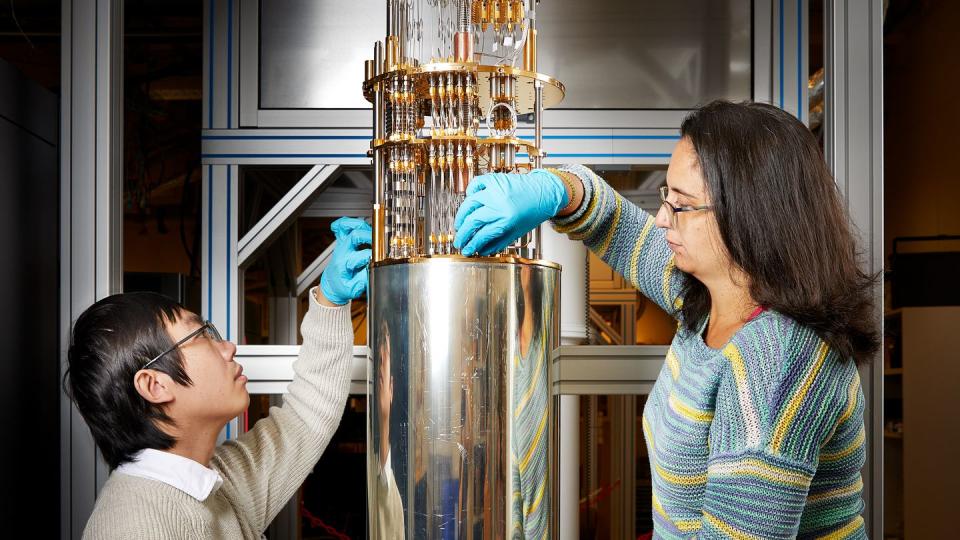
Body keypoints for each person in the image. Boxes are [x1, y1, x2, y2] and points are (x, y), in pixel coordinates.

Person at [454, 100, 878, 539]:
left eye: (682, 205)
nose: (661, 218)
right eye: (665, 198)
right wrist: (554, 190)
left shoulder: (778, 362)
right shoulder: (709, 298)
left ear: (748, 215)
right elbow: (613, 223)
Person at [66, 217, 372, 539]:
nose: (228, 347)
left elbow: (306, 417)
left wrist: (330, 300)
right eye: (201, 335)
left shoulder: (216, 481)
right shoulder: (133, 529)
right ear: (155, 385)